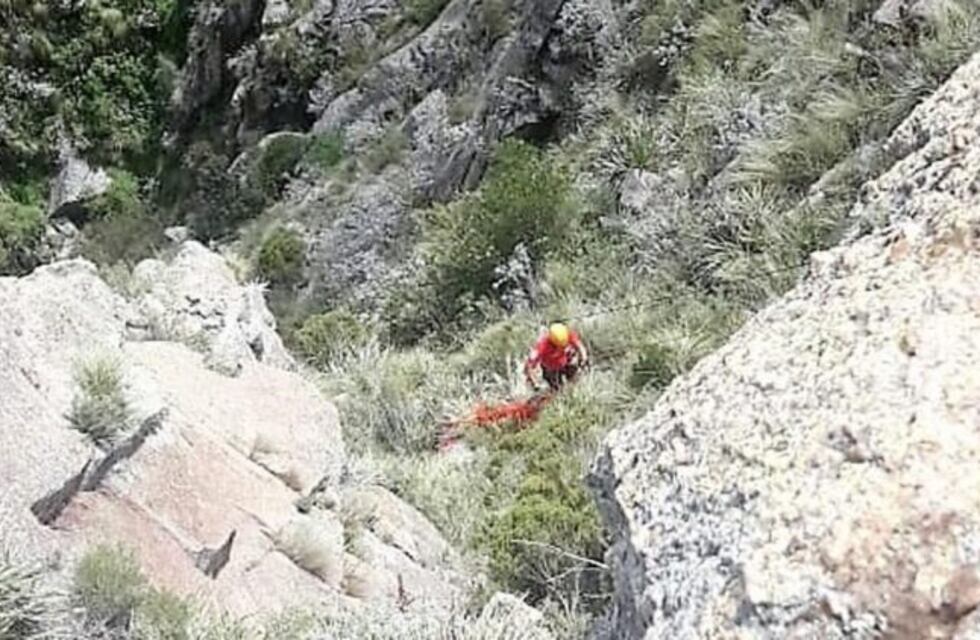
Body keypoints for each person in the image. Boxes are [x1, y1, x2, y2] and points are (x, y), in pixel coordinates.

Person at [524, 322, 589, 392]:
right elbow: (529, 365)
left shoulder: (567, 334)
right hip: (552, 369)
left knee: (575, 373)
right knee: (557, 389)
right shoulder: (542, 346)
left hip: (567, 362)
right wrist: (534, 382)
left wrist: (584, 359)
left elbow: (580, 346)